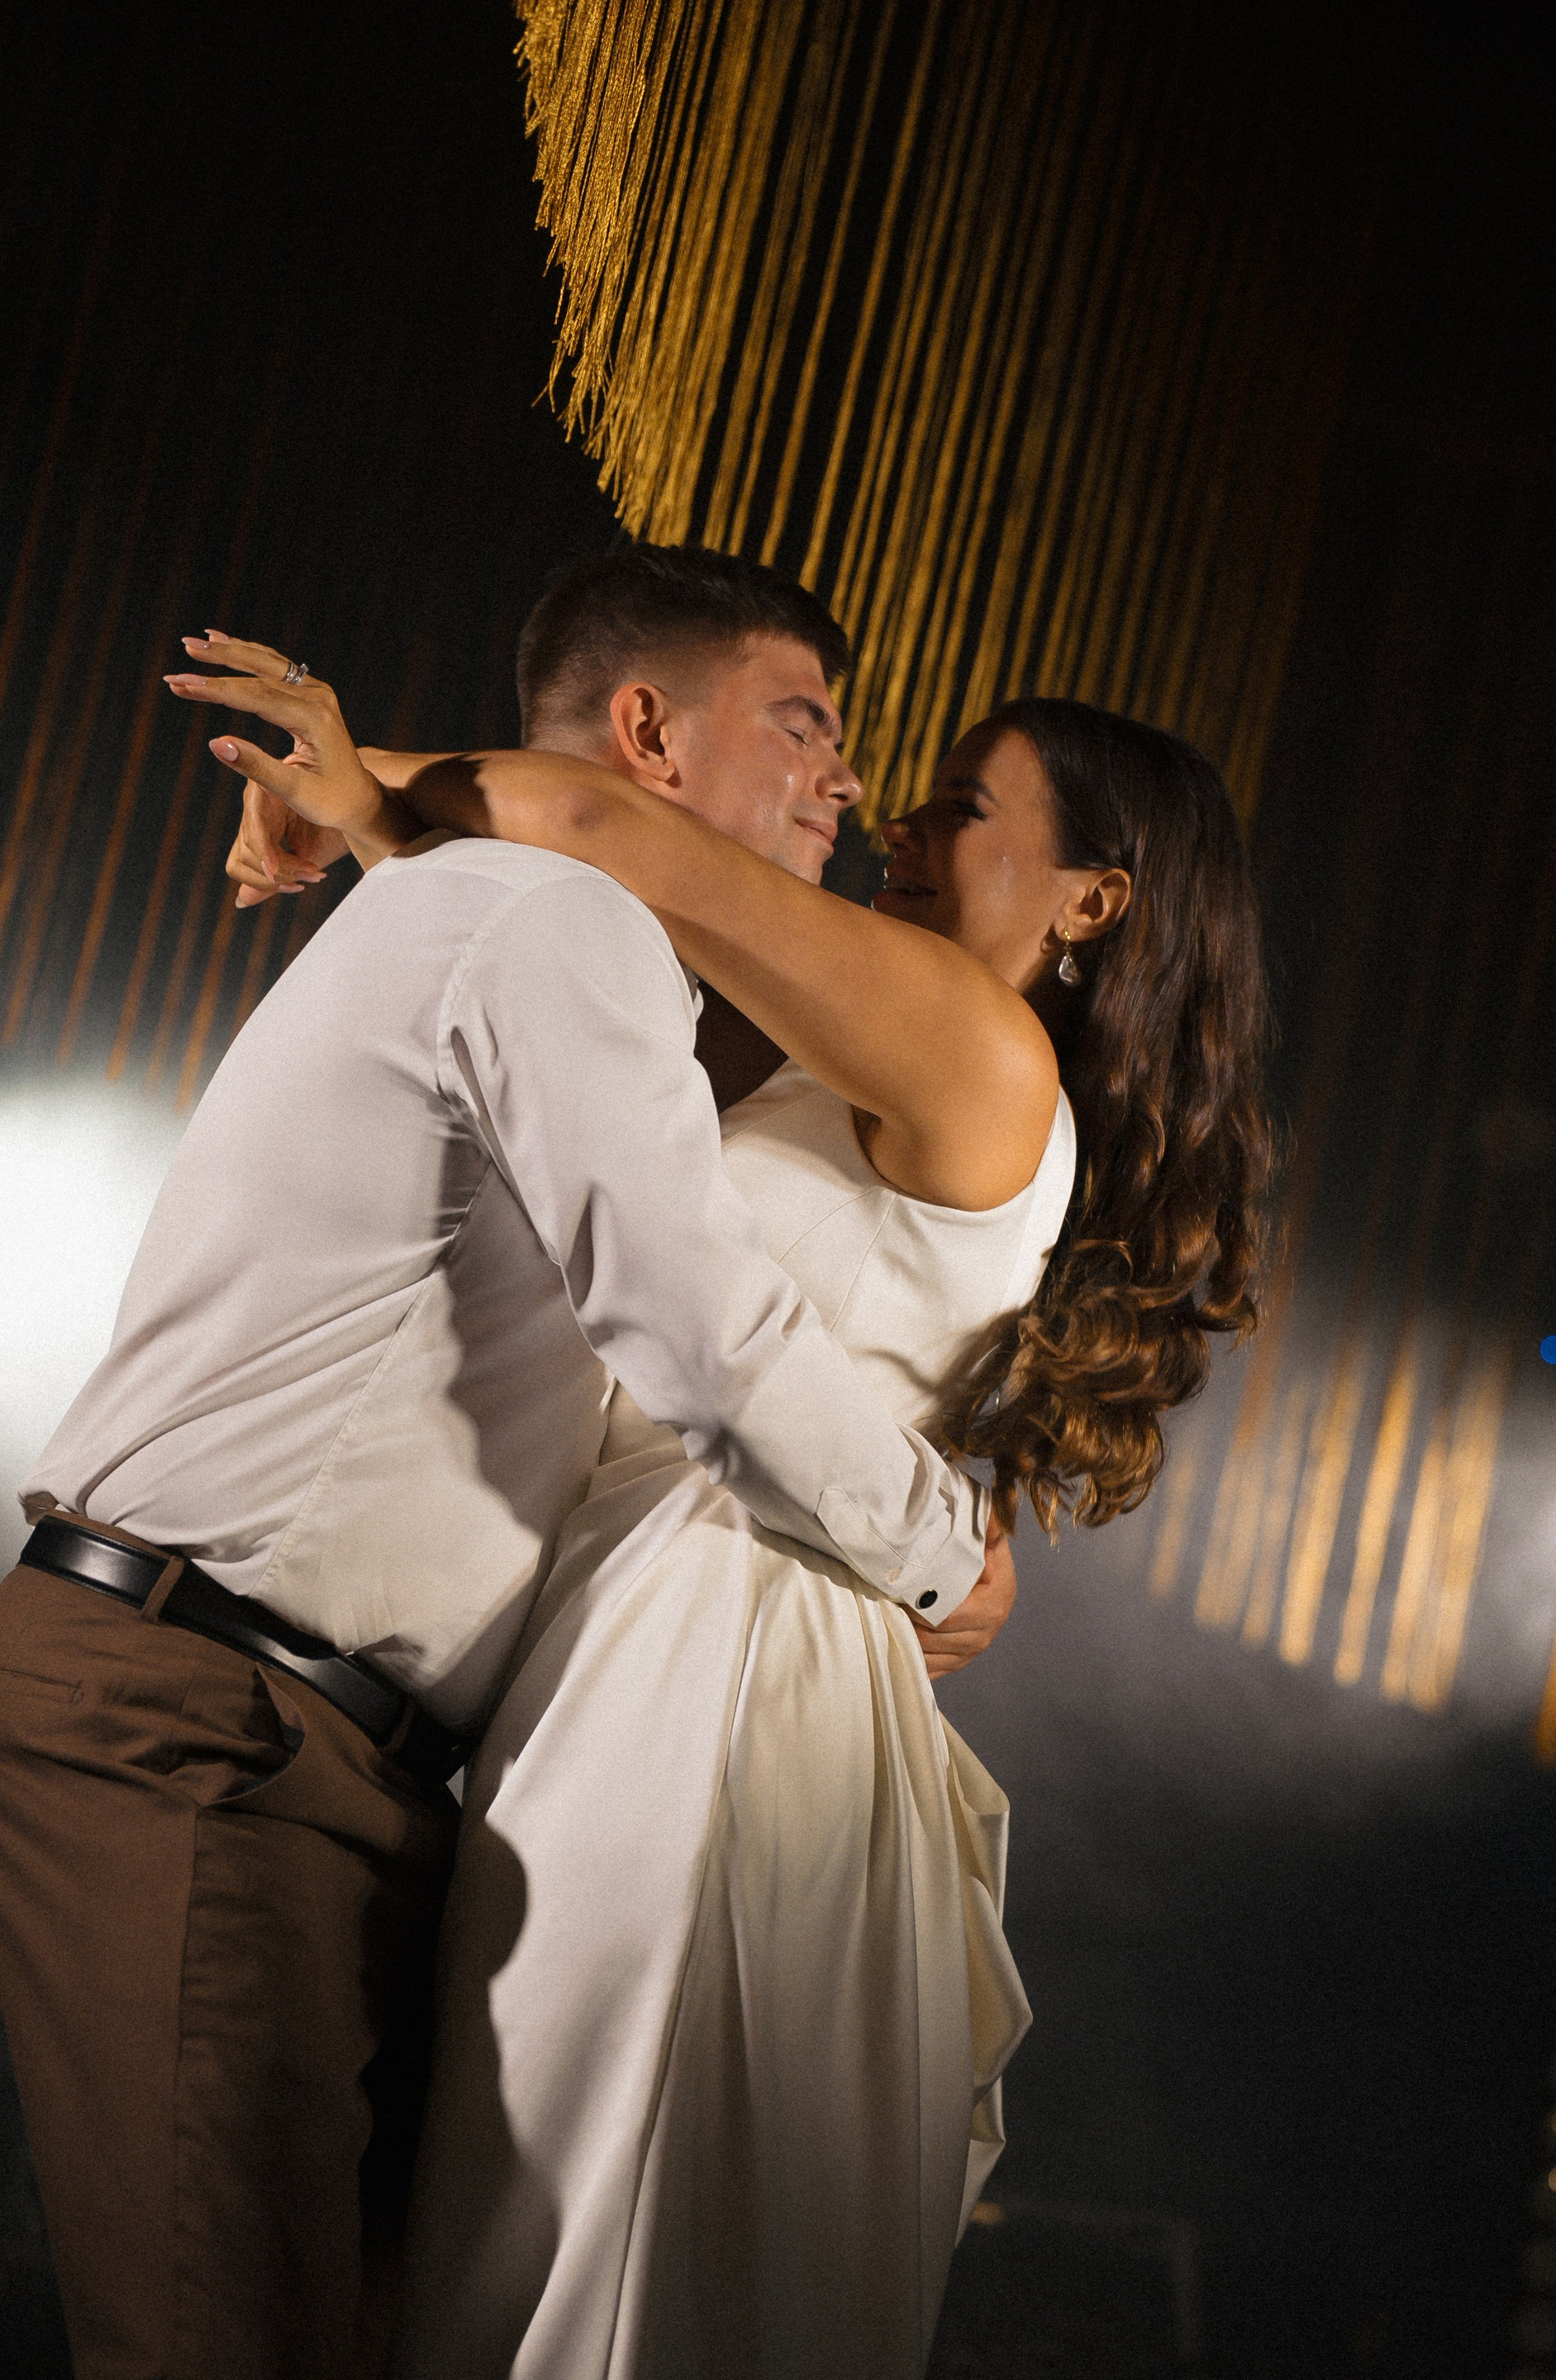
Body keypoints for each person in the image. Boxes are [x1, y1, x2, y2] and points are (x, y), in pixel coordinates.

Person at [220, 597, 1274, 2378]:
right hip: (675, 1623)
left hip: (723, 1657)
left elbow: (611, 830)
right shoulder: (866, 1054)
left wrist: (344, 769)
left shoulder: (975, 1040)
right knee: (539, 2225)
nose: (897, 823)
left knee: (597, 2234)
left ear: (1092, 904)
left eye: (964, 806)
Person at [0, 550, 1015, 2380]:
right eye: (805, 724)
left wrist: (376, 795)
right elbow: (699, 1333)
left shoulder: (525, 923)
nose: (848, 783)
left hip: (335, 1759)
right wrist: (944, 1550)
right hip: (204, 1720)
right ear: (649, 733)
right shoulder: (555, 922)